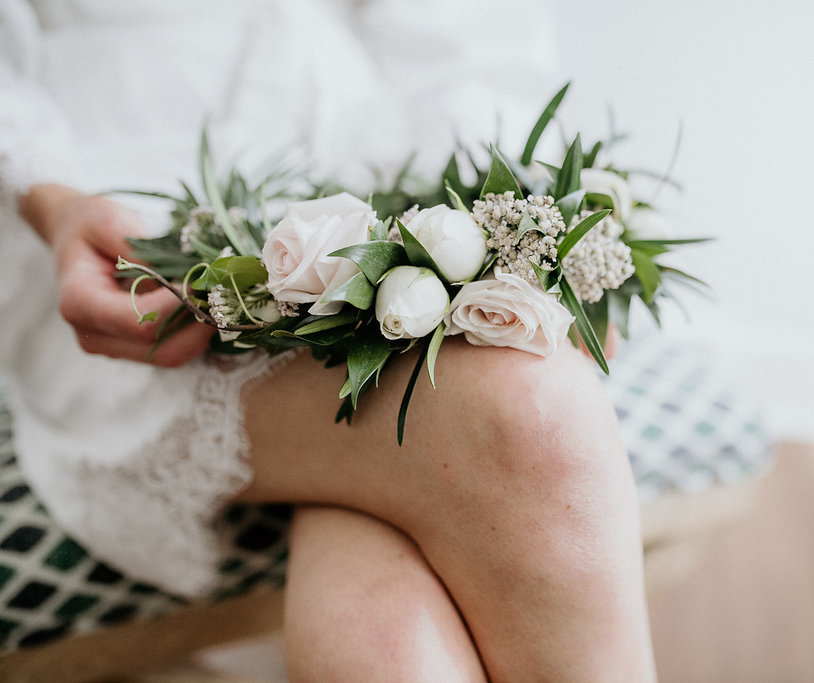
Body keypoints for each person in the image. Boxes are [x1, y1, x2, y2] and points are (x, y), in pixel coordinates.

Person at [2, 1, 657, 679]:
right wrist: (47, 195)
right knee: (532, 415)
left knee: (387, 651)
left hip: (379, 150)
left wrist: (485, 236)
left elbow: (468, 43)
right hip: (128, 216)